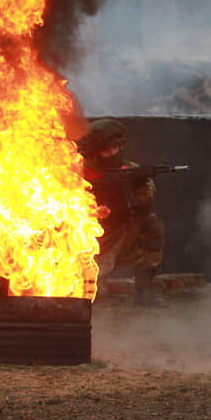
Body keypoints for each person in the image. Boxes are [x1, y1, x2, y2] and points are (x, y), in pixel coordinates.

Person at [78, 119, 166, 305]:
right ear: (94, 152)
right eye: (105, 150)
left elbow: (145, 204)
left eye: (115, 148)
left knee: (151, 225)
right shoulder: (79, 173)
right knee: (89, 297)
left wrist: (134, 188)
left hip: (119, 238)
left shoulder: (129, 170)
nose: (111, 153)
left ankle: (144, 291)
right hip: (87, 244)